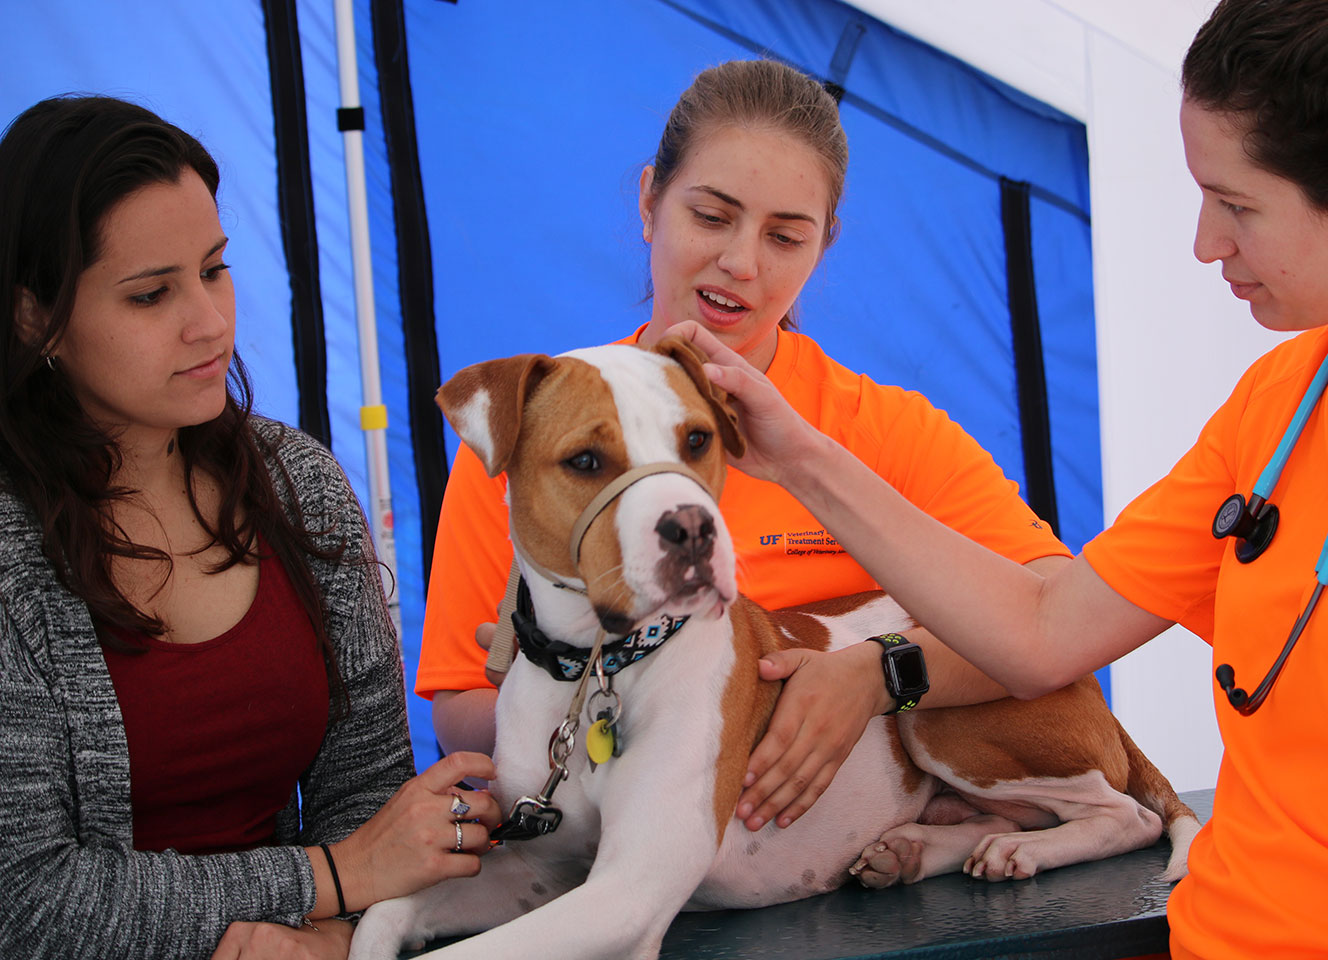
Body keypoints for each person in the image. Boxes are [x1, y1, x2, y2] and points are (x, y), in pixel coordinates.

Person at [665, 1, 1328, 956]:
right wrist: (795, 457)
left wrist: (873, 672)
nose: (1205, 243)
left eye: (1239, 205)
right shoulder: (1278, 403)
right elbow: (1042, 631)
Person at [418, 58, 1070, 832]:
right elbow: (461, 708)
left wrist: (880, 673)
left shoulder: (887, 430)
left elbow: (1059, 621)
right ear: (650, 201)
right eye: (713, 216)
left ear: (823, 247)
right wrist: (552, 677)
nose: (742, 263)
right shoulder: (538, 427)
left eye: (785, 236)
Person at [0, 95, 501, 960]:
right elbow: (29, 899)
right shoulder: (11, 548)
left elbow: (369, 800)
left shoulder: (297, 482)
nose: (210, 322)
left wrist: (336, 941)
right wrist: (328, 880)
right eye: (152, 294)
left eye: (215, 268)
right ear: (35, 320)